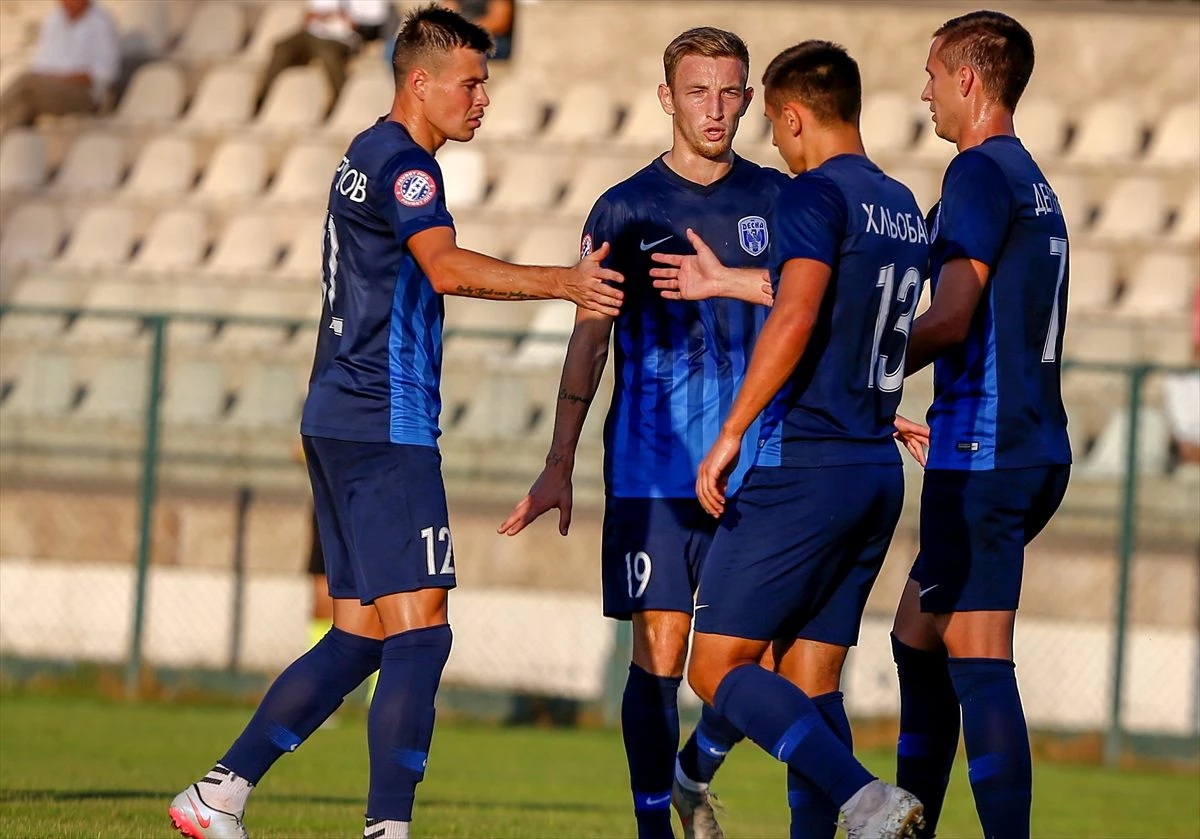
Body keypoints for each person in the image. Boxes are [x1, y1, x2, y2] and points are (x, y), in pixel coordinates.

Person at [168, 6, 623, 839]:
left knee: (359, 634)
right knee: (422, 632)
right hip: (383, 419)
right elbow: (443, 267)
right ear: (420, 83)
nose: (484, 98)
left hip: (340, 412)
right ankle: (388, 828)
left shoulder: (365, 151)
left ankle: (218, 793)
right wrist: (564, 280)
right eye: (472, 82)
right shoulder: (407, 166)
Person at [499, 26, 781, 839]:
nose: (716, 108)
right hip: (652, 464)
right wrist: (559, 460)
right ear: (666, 98)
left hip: (754, 461)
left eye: (731, 91)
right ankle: (655, 826)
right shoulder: (625, 208)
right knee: (658, 651)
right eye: (698, 91)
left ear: (752, 97)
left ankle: (695, 772)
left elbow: (806, 319)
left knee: (751, 658)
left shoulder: (776, 199)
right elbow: (590, 338)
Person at [682, 40, 929, 838]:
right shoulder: (900, 204)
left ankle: (864, 796)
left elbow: (796, 312)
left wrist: (730, 432)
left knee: (717, 665)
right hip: (873, 469)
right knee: (813, 678)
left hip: (807, 464)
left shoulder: (811, 196)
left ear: (792, 116)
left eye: (775, 125)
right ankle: (835, 818)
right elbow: (851, 316)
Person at [888, 12, 1071, 839]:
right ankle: (908, 824)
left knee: (977, 653)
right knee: (917, 633)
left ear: (968, 79)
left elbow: (953, 316)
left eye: (932, 72)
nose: (923, 89)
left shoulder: (975, 173)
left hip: (984, 449)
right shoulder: (1030, 176)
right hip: (1027, 442)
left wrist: (860, 375)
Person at [0, 0, 119, 134]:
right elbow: (41, 65)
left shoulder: (101, 24)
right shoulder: (54, 20)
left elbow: (104, 75)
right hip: (51, 87)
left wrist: (61, 79)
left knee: (27, 83)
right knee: (22, 108)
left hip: (84, 95)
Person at [258, 0, 393, 105]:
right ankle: (262, 96)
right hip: (314, 32)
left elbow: (374, 25)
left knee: (327, 53)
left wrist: (350, 20)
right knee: (282, 48)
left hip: (343, 37)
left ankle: (341, 96)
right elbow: (311, 13)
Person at [442, 0, 514, 60]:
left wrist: (466, 30)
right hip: (462, 37)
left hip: (492, 41)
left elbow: (500, 22)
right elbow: (447, 11)